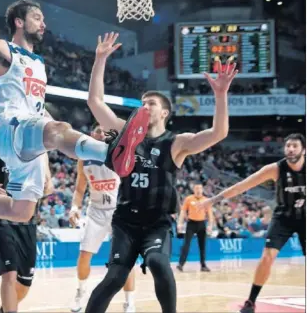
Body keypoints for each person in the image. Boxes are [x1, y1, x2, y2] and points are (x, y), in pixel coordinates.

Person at [0, 0, 149, 226]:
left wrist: (67, 133)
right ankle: (110, 152)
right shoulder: (2, 48)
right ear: (19, 22)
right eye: (37, 17)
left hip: (28, 133)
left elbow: (39, 110)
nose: (43, 23)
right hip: (8, 127)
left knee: (22, 212)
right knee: (58, 130)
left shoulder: (39, 63)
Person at [84, 32, 237, 313]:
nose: (144, 107)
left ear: (164, 112)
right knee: (115, 277)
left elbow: (219, 132)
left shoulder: (176, 143)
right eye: (142, 103)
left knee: (157, 262)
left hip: (157, 222)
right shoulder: (126, 133)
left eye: (150, 103)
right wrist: (100, 59)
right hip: (125, 221)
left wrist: (221, 95)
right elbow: (95, 101)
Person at [199, 133, 305, 313]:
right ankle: (251, 301)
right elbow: (242, 186)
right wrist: (212, 200)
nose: (291, 149)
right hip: (283, 217)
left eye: (295, 145)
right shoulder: (276, 169)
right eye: (288, 146)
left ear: (304, 150)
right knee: (267, 257)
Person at [68, 123, 135, 313]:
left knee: (125, 260)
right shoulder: (83, 159)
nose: (102, 133)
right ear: (91, 134)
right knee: (83, 256)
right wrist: (74, 208)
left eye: (106, 132)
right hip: (95, 212)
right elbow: (80, 189)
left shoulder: (119, 156)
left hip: (118, 212)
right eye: (98, 130)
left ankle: (130, 302)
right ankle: (80, 292)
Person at [0, 146, 53, 313]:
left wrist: (40, 187)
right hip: (2, 218)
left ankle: (4, 310)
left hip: (27, 220)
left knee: (25, 282)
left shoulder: (39, 151)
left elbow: (49, 186)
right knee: (9, 274)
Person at [176, 183, 214, 272]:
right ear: (194, 190)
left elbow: (210, 214)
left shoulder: (206, 200)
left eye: (200, 188)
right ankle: (180, 264)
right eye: (196, 188)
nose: (198, 190)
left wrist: (210, 225)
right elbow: (183, 211)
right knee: (186, 244)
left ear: (202, 190)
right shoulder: (188, 199)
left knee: (202, 245)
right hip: (191, 224)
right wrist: (180, 223)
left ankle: (203, 265)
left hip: (202, 223)